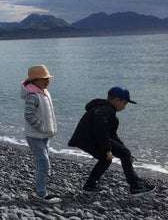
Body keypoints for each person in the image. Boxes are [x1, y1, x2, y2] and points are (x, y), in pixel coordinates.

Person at [68, 86, 156, 196]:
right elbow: (99, 130)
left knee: (108, 158)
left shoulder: (110, 114)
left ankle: (89, 186)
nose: (124, 107)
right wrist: (107, 149)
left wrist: (127, 153)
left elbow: (112, 136)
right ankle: (135, 187)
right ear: (116, 100)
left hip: (87, 139)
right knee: (115, 155)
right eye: (124, 103)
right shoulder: (106, 109)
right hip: (89, 139)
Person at [21, 65, 61, 204]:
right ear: (34, 81)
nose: (47, 82)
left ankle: (41, 190)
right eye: (44, 79)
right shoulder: (33, 95)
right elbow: (29, 115)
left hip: (43, 136)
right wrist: (44, 128)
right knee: (43, 163)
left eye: (48, 79)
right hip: (35, 136)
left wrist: (50, 129)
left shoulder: (44, 92)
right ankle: (41, 193)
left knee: (42, 162)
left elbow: (48, 114)